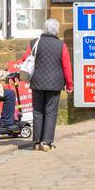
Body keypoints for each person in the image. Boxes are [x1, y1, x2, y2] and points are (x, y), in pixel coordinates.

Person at [18, 18, 73, 151]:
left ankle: (36, 142)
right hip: (55, 84)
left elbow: (25, 59)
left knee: (37, 111)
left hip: (37, 82)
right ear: (56, 30)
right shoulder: (61, 46)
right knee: (51, 112)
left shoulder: (34, 43)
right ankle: (46, 142)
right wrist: (69, 84)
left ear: (45, 29)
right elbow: (66, 67)